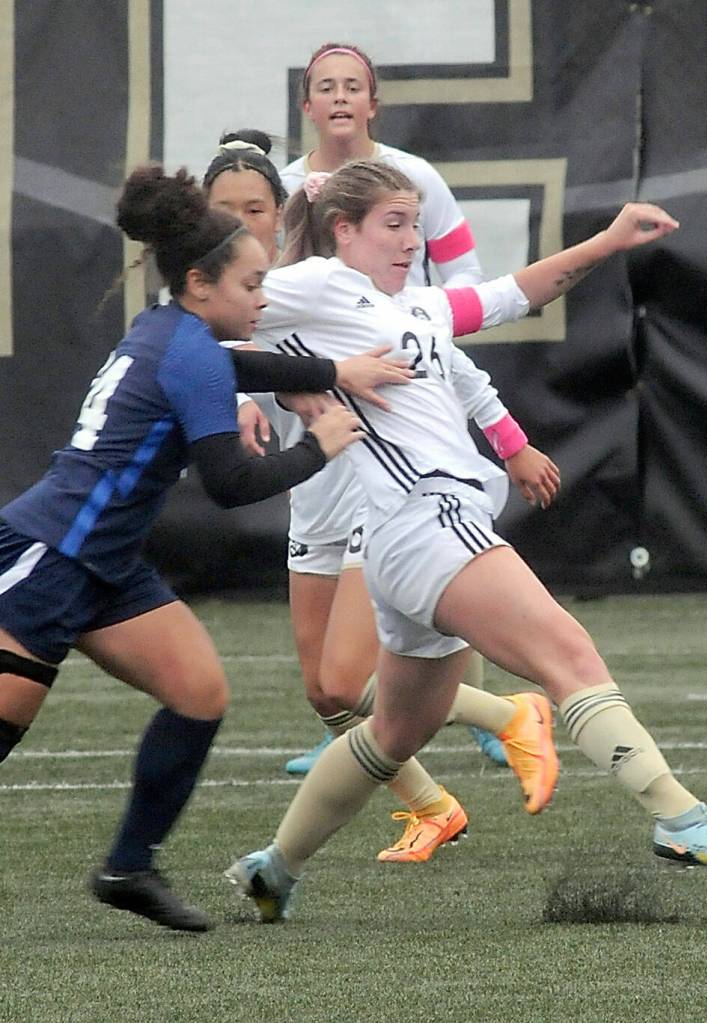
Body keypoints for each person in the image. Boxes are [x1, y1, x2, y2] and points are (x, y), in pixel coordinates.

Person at [224, 160, 707, 924]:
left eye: (414, 224)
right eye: (392, 223)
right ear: (342, 228)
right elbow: (195, 333)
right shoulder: (320, 282)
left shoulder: (415, 304)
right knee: (570, 656)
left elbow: (515, 293)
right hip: (429, 519)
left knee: (394, 730)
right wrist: (275, 385)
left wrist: (609, 241)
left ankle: (274, 866)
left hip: (403, 538)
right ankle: (680, 818)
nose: (409, 238)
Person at [0, 163, 411, 932]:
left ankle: (128, 866)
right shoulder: (186, 350)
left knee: (199, 694)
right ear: (200, 282)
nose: (262, 300)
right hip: (50, 557)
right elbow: (227, 482)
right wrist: (319, 443)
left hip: (105, 565)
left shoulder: (171, 331)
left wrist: (331, 370)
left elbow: (237, 363)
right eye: (252, 285)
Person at [205, 135, 561, 864]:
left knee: (348, 675)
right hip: (315, 488)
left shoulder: (332, 280)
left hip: (380, 489)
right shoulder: (222, 288)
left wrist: (509, 439)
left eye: (253, 207)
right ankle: (436, 805)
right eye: (222, 210)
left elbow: (448, 361)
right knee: (327, 692)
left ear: (281, 210)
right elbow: (199, 353)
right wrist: (239, 388)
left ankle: (509, 716)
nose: (240, 220)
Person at [277, 42, 508, 773]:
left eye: (354, 86)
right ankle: (360, 717)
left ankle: (473, 710)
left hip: (396, 403)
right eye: (325, 87)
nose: (340, 97)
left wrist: (405, 323)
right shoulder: (286, 187)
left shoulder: (418, 178)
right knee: (328, 668)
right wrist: (261, 393)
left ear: (373, 103)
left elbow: (468, 279)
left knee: (407, 567)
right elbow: (257, 302)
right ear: (307, 106)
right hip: (319, 412)